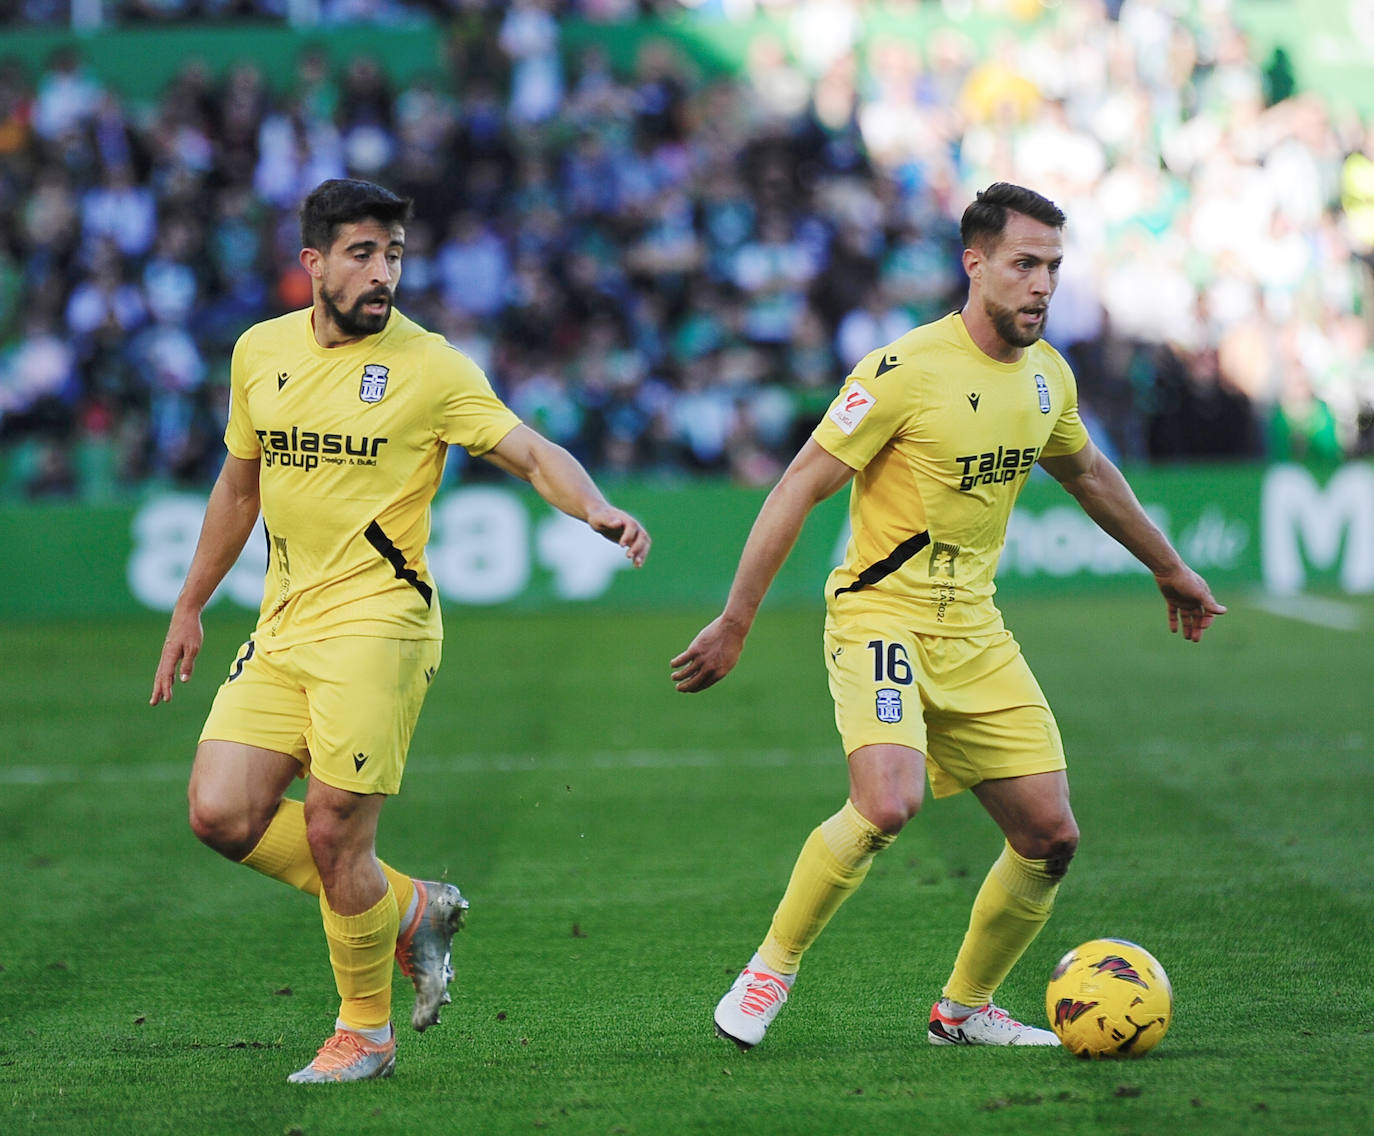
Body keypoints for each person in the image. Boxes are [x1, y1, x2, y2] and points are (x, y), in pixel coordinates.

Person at [670, 182, 1223, 1051]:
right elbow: (798, 487)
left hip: (975, 631)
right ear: (976, 264)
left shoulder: (1050, 377)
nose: (1042, 285)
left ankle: (962, 1013)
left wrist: (1172, 568)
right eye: (1024, 265)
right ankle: (770, 968)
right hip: (879, 618)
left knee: (1050, 836)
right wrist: (737, 619)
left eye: (1052, 267)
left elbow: (1088, 474)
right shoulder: (902, 372)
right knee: (888, 803)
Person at [150, 178, 650, 1084]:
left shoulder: (431, 366)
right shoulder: (259, 351)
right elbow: (238, 485)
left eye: (395, 255)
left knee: (338, 830)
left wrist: (595, 507)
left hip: (382, 624)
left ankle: (365, 1036)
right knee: (220, 812)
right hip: (285, 621)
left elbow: (529, 449)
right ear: (312, 264)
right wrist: (189, 605)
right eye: (362, 254)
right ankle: (414, 909)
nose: (384, 273)